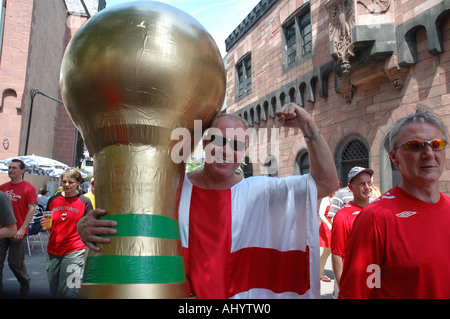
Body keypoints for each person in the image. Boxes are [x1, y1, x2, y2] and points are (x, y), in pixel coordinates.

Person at [78, 102, 340, 299]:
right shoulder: (170, 186)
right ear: (205, 142)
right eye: (220, 141)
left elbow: (327, 183)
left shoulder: (258, 191)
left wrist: (308, 125)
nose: (227, 151)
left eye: (236, 145)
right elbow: (127, 217)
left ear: (244, 151)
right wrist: (86, 226)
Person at [339, 107, 450, 299]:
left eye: (437, 144)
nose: (429, 153)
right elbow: (355, 293)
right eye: (416, 145)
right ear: (394, 157)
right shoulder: (375, 218)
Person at [42, 168, 93, 298]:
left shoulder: (84, 201)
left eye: (70, 182)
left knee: (69, 290)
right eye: (64, 181)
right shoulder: (53, 200)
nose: (66, 185)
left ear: (78, 183)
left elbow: (89, 225)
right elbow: (49, 222)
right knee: (54, 289)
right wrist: (46, 225)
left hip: (74, 250)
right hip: (53, 249)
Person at [330, 166, 373, 292]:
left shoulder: (377, 210)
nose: (367, 187)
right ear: (350, 188)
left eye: (369, 183)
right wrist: (343, 287)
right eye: (362, 184)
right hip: (354, 282)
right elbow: (337, 254)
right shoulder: (342, 215)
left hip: (375, 280)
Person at [0, 159, 37, 296]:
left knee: (15, 263)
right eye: (9, 167)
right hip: (3, 230)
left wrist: (22, 228)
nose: (11, 170)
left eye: (14, 168)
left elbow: (32, 208)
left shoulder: (28, 188)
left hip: (18, 231)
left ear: (22, 171)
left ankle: (24, 282)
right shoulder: (2, 188)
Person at [318, 194, 333, 282]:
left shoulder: (333, 198)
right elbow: (321, 214)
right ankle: (320, 272)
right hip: (327, 227)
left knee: (328, 251)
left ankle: (320, 271)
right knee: (327, 251)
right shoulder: (325, 199)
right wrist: (329, 225)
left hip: (331, 226)